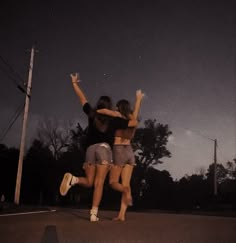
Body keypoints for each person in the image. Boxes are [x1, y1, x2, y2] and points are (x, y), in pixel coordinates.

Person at [59, 73, 137, 222]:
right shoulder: (115, 119)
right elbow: (134, 123)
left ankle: (74, 179)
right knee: (99, 183)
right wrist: (115, 113)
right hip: (104, 150)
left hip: (89, 150)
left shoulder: (92, 113)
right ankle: (93, 214)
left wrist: (74, 83)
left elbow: (82, 99)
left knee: (89, 182)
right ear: (109, 106)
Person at [97, 90, 144, 221]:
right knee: (126, 184)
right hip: (129, 151)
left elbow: (106, 112)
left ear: (119, 108)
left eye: (117, 107)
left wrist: (98, 110)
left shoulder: (118, 115)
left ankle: (126, 193)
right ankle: (121, 215)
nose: (115, 108)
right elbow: (137, 110)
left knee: (113, 182)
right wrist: (138, 99)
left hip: (119, 150)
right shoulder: (132, 119)